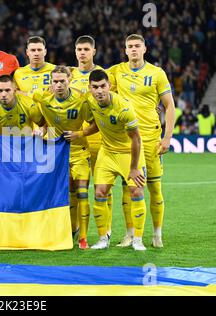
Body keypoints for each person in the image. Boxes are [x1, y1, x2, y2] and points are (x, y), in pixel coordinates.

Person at [109, 34, 175, 248]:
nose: (134, 49)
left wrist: (167, 137)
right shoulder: (117, 71)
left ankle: (157, 234)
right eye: (130, 46)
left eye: (137, 46)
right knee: (128, 188)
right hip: (127, 140)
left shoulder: (157, 73)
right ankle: (130, 234)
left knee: (154, 188)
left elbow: (170, 106)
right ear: (125, 50)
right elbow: (92, 81)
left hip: (151, 139)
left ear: (145, 49)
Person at [78, 69, 148, 251]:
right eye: (95, 87)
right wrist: (82, 133)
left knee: (136, 191)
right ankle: (103, 238)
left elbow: (136, 139)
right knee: (100, 192)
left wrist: (134, 167)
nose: (99, 90)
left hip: (129, 153)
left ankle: (138, 240)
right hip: (107, 151)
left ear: (109, 86)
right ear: (90, 88)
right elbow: (97, 124)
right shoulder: (90, 101)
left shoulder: (123, 108)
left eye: (103, 86)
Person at [31, 66, 92, 250]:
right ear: (51, 82)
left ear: (69, 80)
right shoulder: (43, 97)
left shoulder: (81, 99)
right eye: (55, 81)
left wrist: (79, 133)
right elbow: (19, 94)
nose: (58, 85)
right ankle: (70, 230)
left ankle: (83, 238)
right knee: (66, 194)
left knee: (82, 194)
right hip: (57, 154)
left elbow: (95, 124)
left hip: (80, 151)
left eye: (62, 81)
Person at [68, 35, 115, 245]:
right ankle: (77, 231)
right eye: (79, 49)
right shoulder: (69, 75)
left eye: (86, 49)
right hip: (78, 142)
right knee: (78, 189)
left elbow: (117, 101)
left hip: (101, 140)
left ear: (94, 51)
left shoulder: (103, 76)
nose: (82, 53)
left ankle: (106, 231)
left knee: (103, 187)